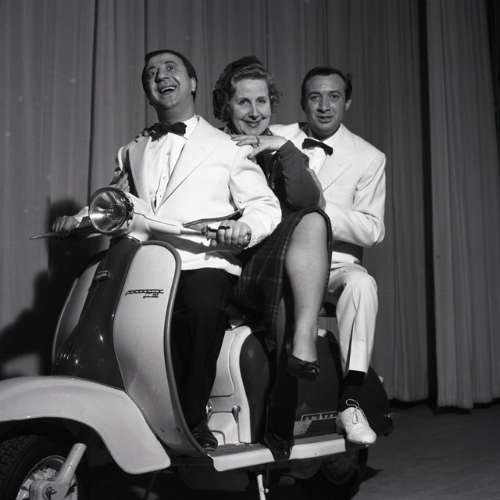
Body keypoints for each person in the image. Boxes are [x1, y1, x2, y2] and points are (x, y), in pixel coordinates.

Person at [52, 49, 281, 451]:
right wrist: (79, 221)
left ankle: (190, 424)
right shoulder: (133, 149)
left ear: (192, 82)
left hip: (202, 259)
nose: (161, 76)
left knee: (201, 309)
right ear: (147, 90)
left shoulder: (228, 147)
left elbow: (265, 206)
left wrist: (242, 229)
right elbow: (117, 202)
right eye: (151, 73)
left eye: (170, 68)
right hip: (145, 262)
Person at [270, 66, 386, 445]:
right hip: (278, 258)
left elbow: (372, 229)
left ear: (347, 102)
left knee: (362, 285)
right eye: (315, 97)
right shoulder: (276, 136)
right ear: (303, 102)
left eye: (333, 96)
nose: (324, 106)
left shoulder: (369, 157)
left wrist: (318, 208)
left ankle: (352, 400)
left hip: (335, 264)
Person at [213, 57, 332, 380]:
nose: (255, 112)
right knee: (283, 295)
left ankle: (303, 343)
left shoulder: (282, 147)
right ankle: (282, 396)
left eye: (262, 101)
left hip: (276, 263)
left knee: (312, 221)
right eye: (244, 102)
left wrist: (285, 149)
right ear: (226, 106)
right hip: (231, 259)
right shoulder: (212, 147)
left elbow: (310, 204)